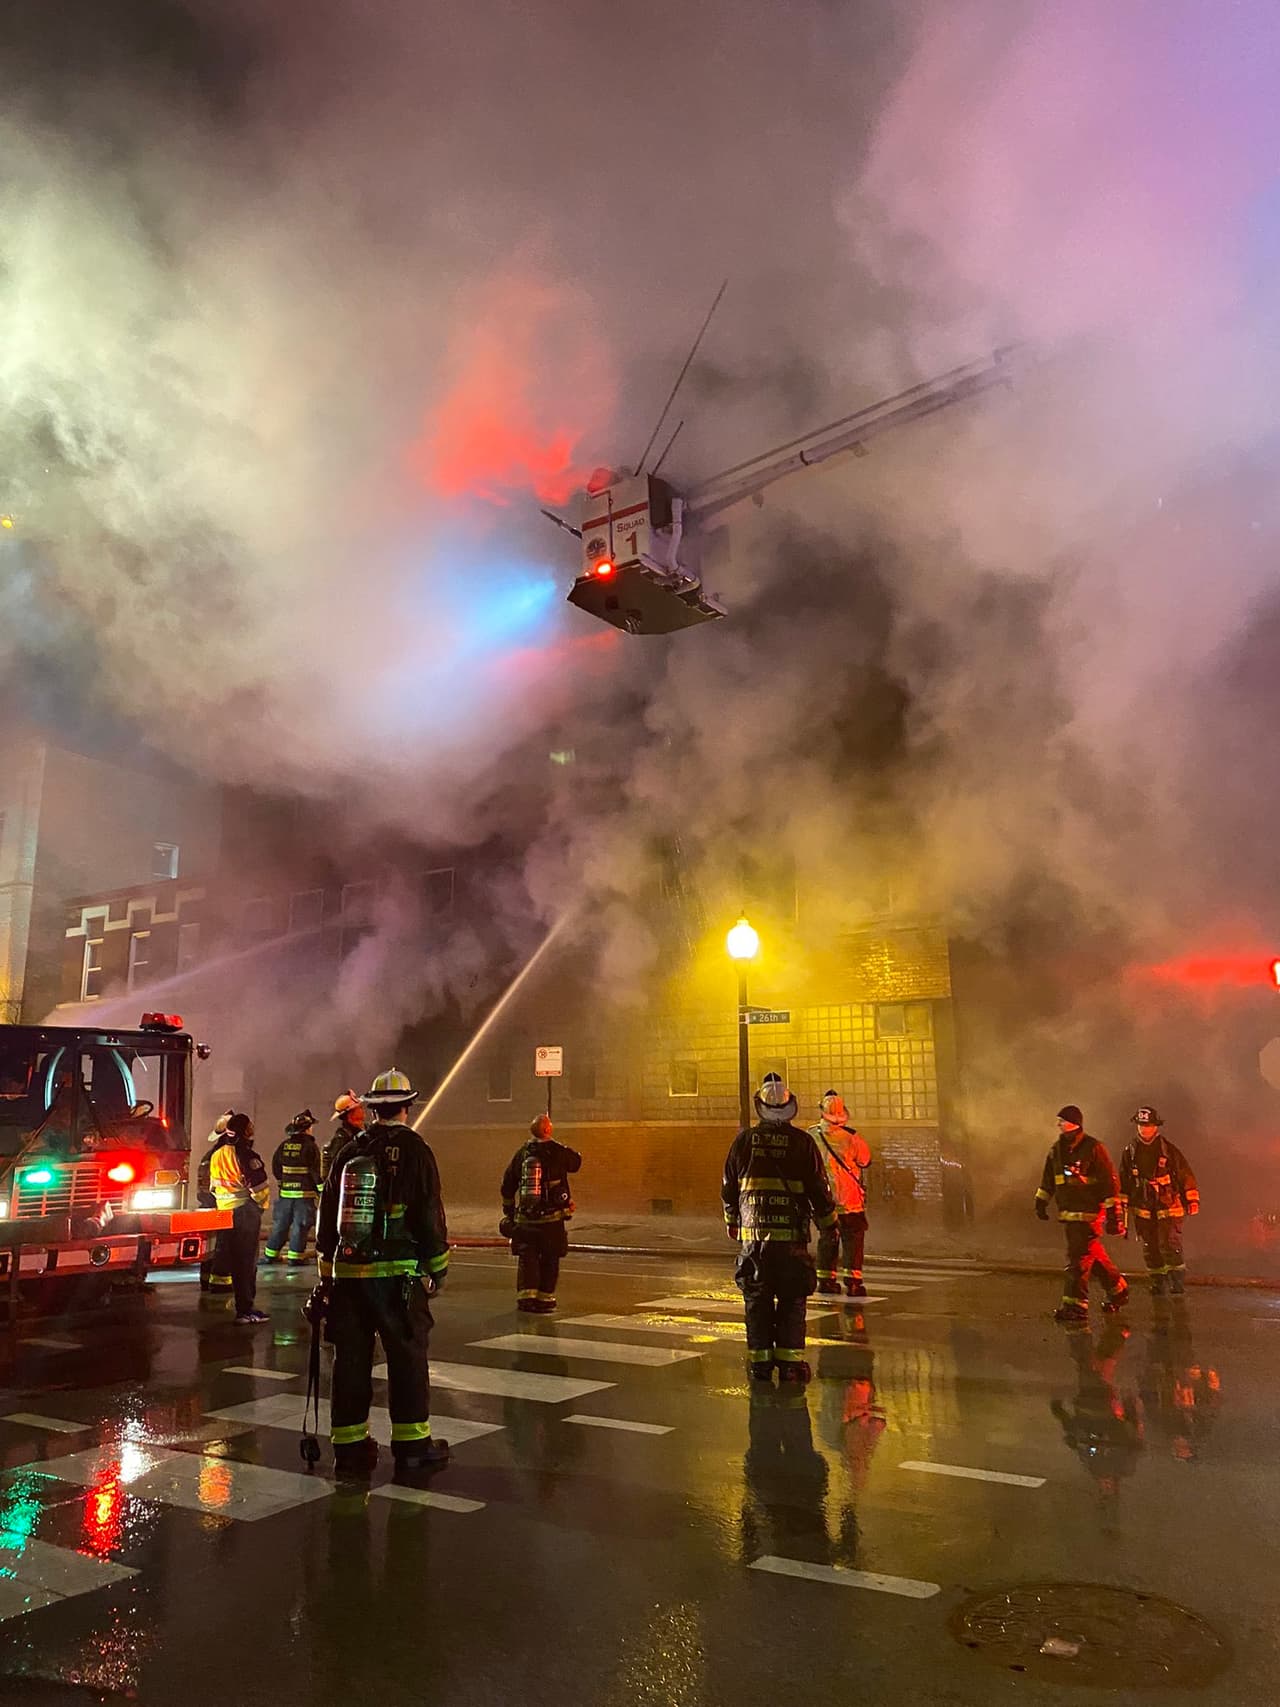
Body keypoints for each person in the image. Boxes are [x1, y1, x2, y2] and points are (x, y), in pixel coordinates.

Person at [315, 1068, 450, 1478]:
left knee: (350, 1361)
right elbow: (428, 1212)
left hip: (348, 1277)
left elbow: (327, 1213)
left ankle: (349, 1449)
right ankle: (412, 1448)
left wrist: (327, 1273)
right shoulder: (416, 1150)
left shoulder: (349, 1151)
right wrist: (438, 1266)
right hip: (397, 1280)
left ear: (373, 1109)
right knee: (406, 1359)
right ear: (407, 1107)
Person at [722, 1071, 838, 1384]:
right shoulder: (803, 1143)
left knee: (757, 1303)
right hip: (791, 1243)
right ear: (790, 1108)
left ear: (760, 1106)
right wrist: (830, 1224)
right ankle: (790, 1367)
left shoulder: (743, 1142)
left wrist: (733, 1222)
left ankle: (760, 1367)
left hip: (754, 1243)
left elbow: (729, 1187)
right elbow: (819, 1190)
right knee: (792, 1302)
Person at [1035, 1104, 1129, 1323]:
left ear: (1073, 1123)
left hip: (1090, 1215)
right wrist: (1041, 1201)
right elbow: (1049, 1179)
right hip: (1070, 1215)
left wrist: (1114, 1216)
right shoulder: (1057, 1151)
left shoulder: (1093, 1148)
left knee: (1078, 1261)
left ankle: (1076, 1307)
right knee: (1092, 1257)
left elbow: (1109, 1183)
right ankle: (1119, 1290)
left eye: (1062, 1121)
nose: (1058, 1124)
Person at [500, 1114, 582, 1313]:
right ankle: (545, 1299)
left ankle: (526, 1300)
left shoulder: (522, 1154)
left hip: (526, 1221)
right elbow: (576, 1162)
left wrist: (509, 1211)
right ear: (547, 1130)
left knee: (527, 1260)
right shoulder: (557, 1152)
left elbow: (508, 1184)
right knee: (550, 1259)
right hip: (552, 1221)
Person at [1118, 1106, 1200, 1297]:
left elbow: (1184, 1173)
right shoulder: (1130, 1151)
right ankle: (1158, 1283)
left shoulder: (1168, 1150)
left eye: (1147, 1125)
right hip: (1143, 1205)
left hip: (1168, 1204)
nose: (1144, 1129)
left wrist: (1192, 1199)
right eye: (1141, 1125)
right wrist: (1122, 1203)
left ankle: (1176, 1283)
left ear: (1155, 1127)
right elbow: (1124, 1179)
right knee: (1150, 1246)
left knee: (1170, 1244)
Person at [207, 1112, 270, 1324]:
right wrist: (260, 1206)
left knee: (232, 1259)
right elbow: (259, 1187)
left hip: (224, 1212)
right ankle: (246, 1310)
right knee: (246, 1263)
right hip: (244, 1212)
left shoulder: (217, 1154)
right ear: (245, 1131)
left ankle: (243, 1308)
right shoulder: (246, 1155)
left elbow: (213, 1187)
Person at [809, 1091, 872, 1297]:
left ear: (822, 1111)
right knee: (853, 1240)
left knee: (828, 1237)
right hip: (849, 1201)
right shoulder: (851, 1137)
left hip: (823, 1201)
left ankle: (826, 1281)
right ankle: (853, 1283)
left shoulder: (810, 1136)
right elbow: (865, 1160)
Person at [264, 1109, 322, 1265]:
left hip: (285, 1194)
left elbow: (276, 1166)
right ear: (307, 1128)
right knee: (300, 1225)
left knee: (280, 1225)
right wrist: (321, 1189)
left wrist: (282, 1181)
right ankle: (295, 1257)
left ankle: (270, 1254)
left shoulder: (284, 1145)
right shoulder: (311, 1147)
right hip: (304, 1195)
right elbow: (315, 1171)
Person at [198, 1110, 234, 1296]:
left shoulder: (210, 1155)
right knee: (224, 1246)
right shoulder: (229, 1156)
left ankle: (207, 1281)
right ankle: (221, 1283)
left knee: (211, 1248)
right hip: (225, 1207)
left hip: (210, 1206)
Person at [324, 1091, 365, 1181]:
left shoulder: (360, 1135)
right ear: (350, 1115)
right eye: (359, 1108)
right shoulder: (341, 1140)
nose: (362, 1111)